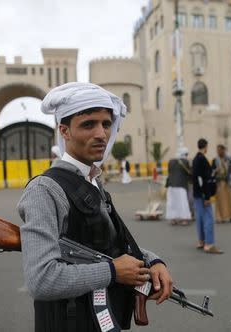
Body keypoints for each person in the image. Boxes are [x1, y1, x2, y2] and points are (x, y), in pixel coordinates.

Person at [18, 82, 173, 331]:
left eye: (106, 124)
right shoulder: (45, 190)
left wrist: (153, 262)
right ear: (65, 131)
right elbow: (41, 280)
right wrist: (112, 271)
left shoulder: (91, 181)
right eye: (88, 124)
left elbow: (104, 246)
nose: (101, 134)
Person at [192, 139, 223, 254]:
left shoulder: (195, 159)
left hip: (196, 193)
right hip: (203, 194)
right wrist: (207, 197)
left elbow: (198, 177)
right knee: (208, 219)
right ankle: (209, 244)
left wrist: (213, 172)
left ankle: (201, 241)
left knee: (200, 218)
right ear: (205, 147)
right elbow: (203, 180)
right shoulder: (202, 159)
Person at [166, 147, 192, 226]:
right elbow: (189, 173)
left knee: (172, 203)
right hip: (181, 185)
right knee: (182, 202)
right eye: (186, 154)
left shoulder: (171, 161)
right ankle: (184, 219)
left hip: (171, 185)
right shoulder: (185, 161)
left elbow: (169, 172)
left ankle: (173, 219)